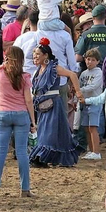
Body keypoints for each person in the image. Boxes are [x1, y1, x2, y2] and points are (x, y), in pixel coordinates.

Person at [29, 39, 82, 170]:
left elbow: (72, 75)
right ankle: (51, 157)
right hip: (42, 106)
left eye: (37, 54)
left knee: (50, 133)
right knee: (52, 132)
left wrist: (78, 92)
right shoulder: (39, 70)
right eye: (34, 54)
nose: (34, 56)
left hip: (53, 104)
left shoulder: (53, 68)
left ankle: (43, 157)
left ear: (45, 55)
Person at [0, 45, 34, 197]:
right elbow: (28, 100)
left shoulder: (0, 72)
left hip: (3, 113)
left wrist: (6, 61)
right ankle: (25, 188)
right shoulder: (25, 77)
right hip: (21, 114)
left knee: (0, 152)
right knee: (22, 152)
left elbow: (1, 66)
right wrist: (33, 121)